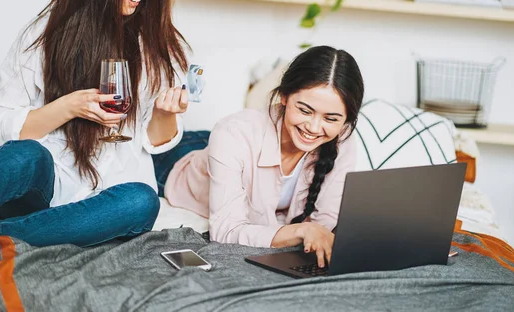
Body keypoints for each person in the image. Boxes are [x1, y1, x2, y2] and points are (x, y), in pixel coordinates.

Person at [0, 0, 189, 247]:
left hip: (105, 198)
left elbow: (156, 141)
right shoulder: (45, 34)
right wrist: (69, 106)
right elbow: (1, 126)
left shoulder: (156, 43)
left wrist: (165, 116)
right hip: (46, 185)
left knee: (142, 201)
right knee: (24, 156)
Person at [153, 46, 364, 268]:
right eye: (304, 110)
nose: (313, 127)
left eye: (331, 119)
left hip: (230, 150)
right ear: (284, 96)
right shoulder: (232, 132)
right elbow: (227, 231)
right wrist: (301, 231)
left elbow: (324, 226)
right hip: (180, 162)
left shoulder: (342, 140)